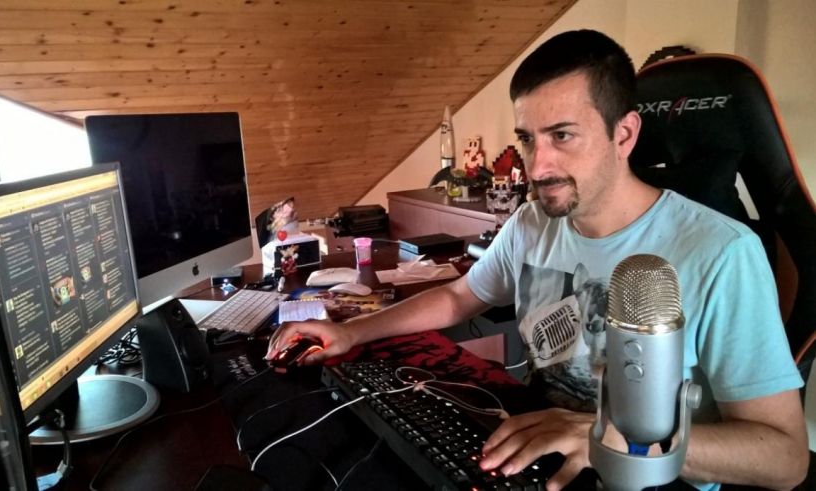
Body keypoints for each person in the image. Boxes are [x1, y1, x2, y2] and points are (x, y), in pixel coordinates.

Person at [266, 30, 808, 490]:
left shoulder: (721, 252)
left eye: (562, 136)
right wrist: (353, 333)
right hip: (538, 447)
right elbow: (460, 295)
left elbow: (785, 458)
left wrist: (608, 438)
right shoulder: (532, 223)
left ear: (624, 134)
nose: (538, 165)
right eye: (527, 140)